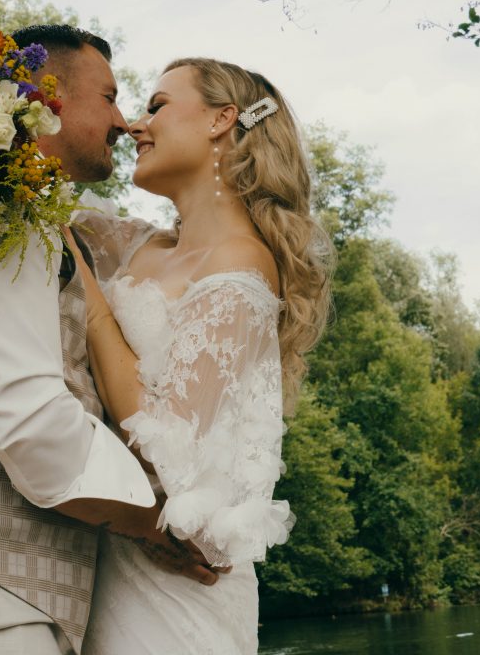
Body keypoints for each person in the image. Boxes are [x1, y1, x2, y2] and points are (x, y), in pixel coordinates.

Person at [0, 26, 216, 655]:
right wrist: (154, 523)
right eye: (110, 97)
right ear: (48, 95)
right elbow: (25, 417)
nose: (123, 122)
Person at [66, 57, 333, 655]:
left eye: (157, 106)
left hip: (178, 589)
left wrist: (93, 302)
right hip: (107, 558)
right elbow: (37, 207)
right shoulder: (134, 244)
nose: (134, 124)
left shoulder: (241, 264)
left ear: (222, 119)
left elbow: (168, 446)